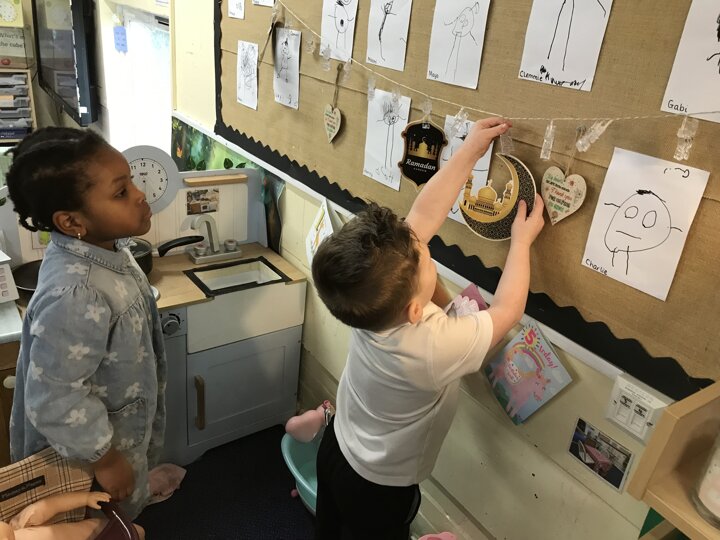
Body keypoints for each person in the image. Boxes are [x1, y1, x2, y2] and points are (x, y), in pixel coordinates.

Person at [311, 117, 545, 539]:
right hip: (379, 487)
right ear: (416, 310)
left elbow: (422, 214)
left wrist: (469, 151)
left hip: (337, 446)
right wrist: (522, 243)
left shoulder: (368, 298)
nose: (424, 244)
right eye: (423, 255)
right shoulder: (430, 346)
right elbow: (508, 309)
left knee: (328, 526)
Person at [5, 127, 167, 520]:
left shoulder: (107, 248)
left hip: (119, 435)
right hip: (87, 460)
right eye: (121, 192)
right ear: (72, 221)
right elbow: (55, 398)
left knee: (118, 517)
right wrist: (106, 460)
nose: (140, 194)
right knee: (93, 524)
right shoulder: (76, 294)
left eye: (131, 181)